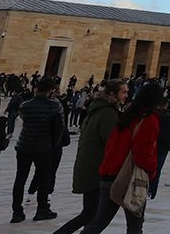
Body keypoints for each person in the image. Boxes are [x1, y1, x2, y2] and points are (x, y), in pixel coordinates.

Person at [80, 82, 162, 234]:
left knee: (99, 221)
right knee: (135, 225)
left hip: (109, 175)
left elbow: (110, 146)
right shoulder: (149, 119)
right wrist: (152, 171)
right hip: (129, 179)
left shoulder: (126, 115)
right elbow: (143, 153)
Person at [53, 80, 127, 234]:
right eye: (124, 92)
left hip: (88, 167)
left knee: (91, 214)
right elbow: (112, 144)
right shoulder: (108, 113)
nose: (127, 95)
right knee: (91, 214)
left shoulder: (98, 109)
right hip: (96, 171)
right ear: (113, 94)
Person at [11, 77, 64, 223]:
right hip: (43, 147)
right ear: (51, 91)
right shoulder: (54, 106)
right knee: (43, 178)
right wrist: (53, 143)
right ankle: (41, 210)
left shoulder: (25, 105)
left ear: (36, 89)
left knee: (20, 178)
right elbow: (60, 127)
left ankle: (17, 212)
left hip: (23, 146)